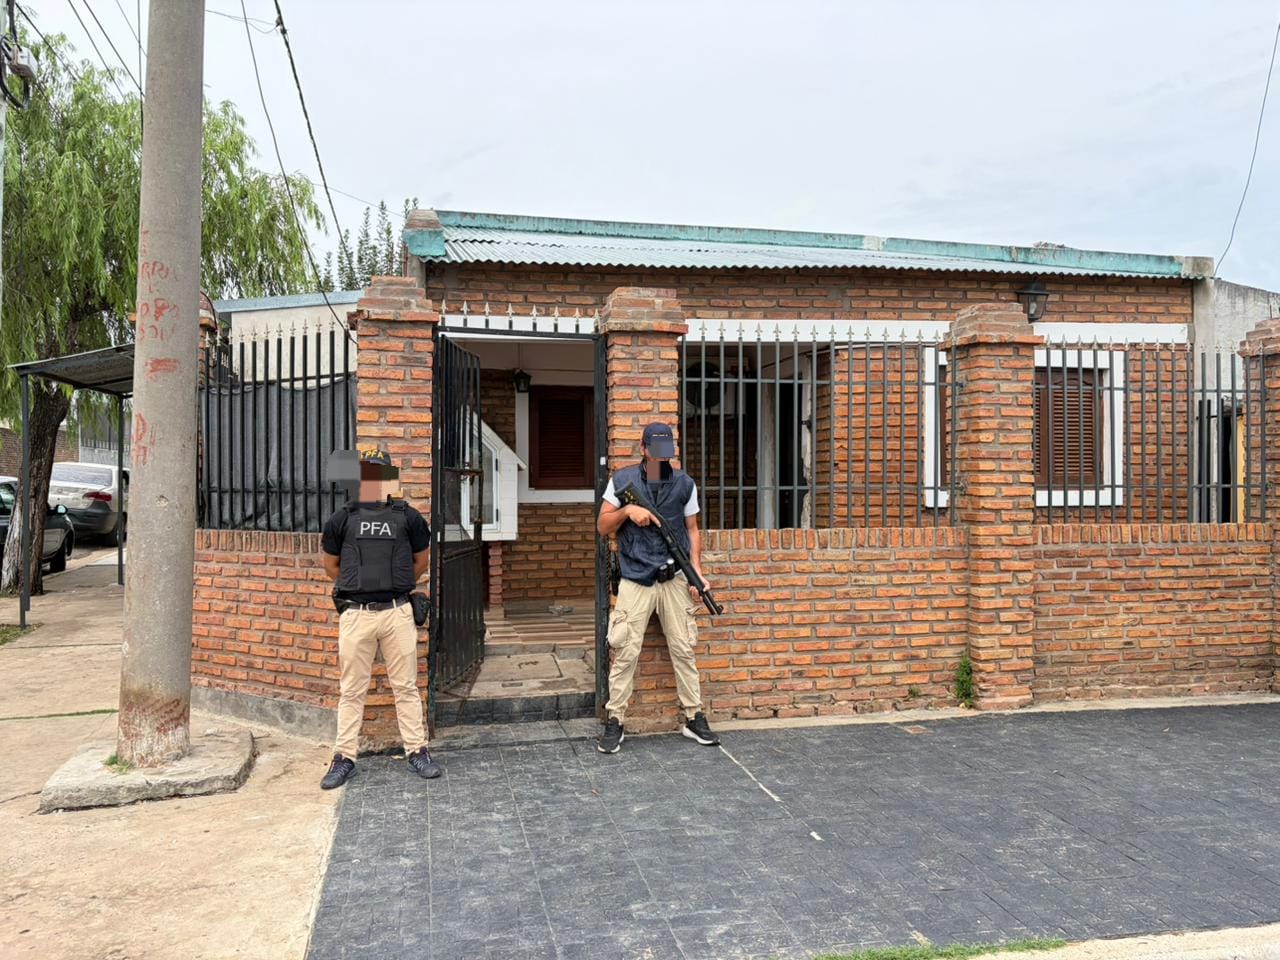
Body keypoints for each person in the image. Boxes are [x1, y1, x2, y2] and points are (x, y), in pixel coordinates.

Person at [318, 445, 440, 789]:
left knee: (406, 687)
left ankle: (417, 751)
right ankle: (344, 757)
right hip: (357, 615)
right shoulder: (342, 517)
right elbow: (331, 566)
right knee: (351, 690)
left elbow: (421, 561)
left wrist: (391, 584)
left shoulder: (408, 517)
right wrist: (363, 586)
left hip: (397, 612)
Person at [595, 421, 720, 753]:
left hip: (674, 577)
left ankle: (693, 717)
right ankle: (615, 720)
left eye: (667, 451)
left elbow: (692, 530)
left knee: (683, 649)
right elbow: (602, 525)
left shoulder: (684, 484)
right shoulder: (622, 481)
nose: (662, 457)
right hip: (635, 577)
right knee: (626, 651)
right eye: (656, 450)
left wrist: (696, 573)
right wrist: (627, 510)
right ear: (643, 448)